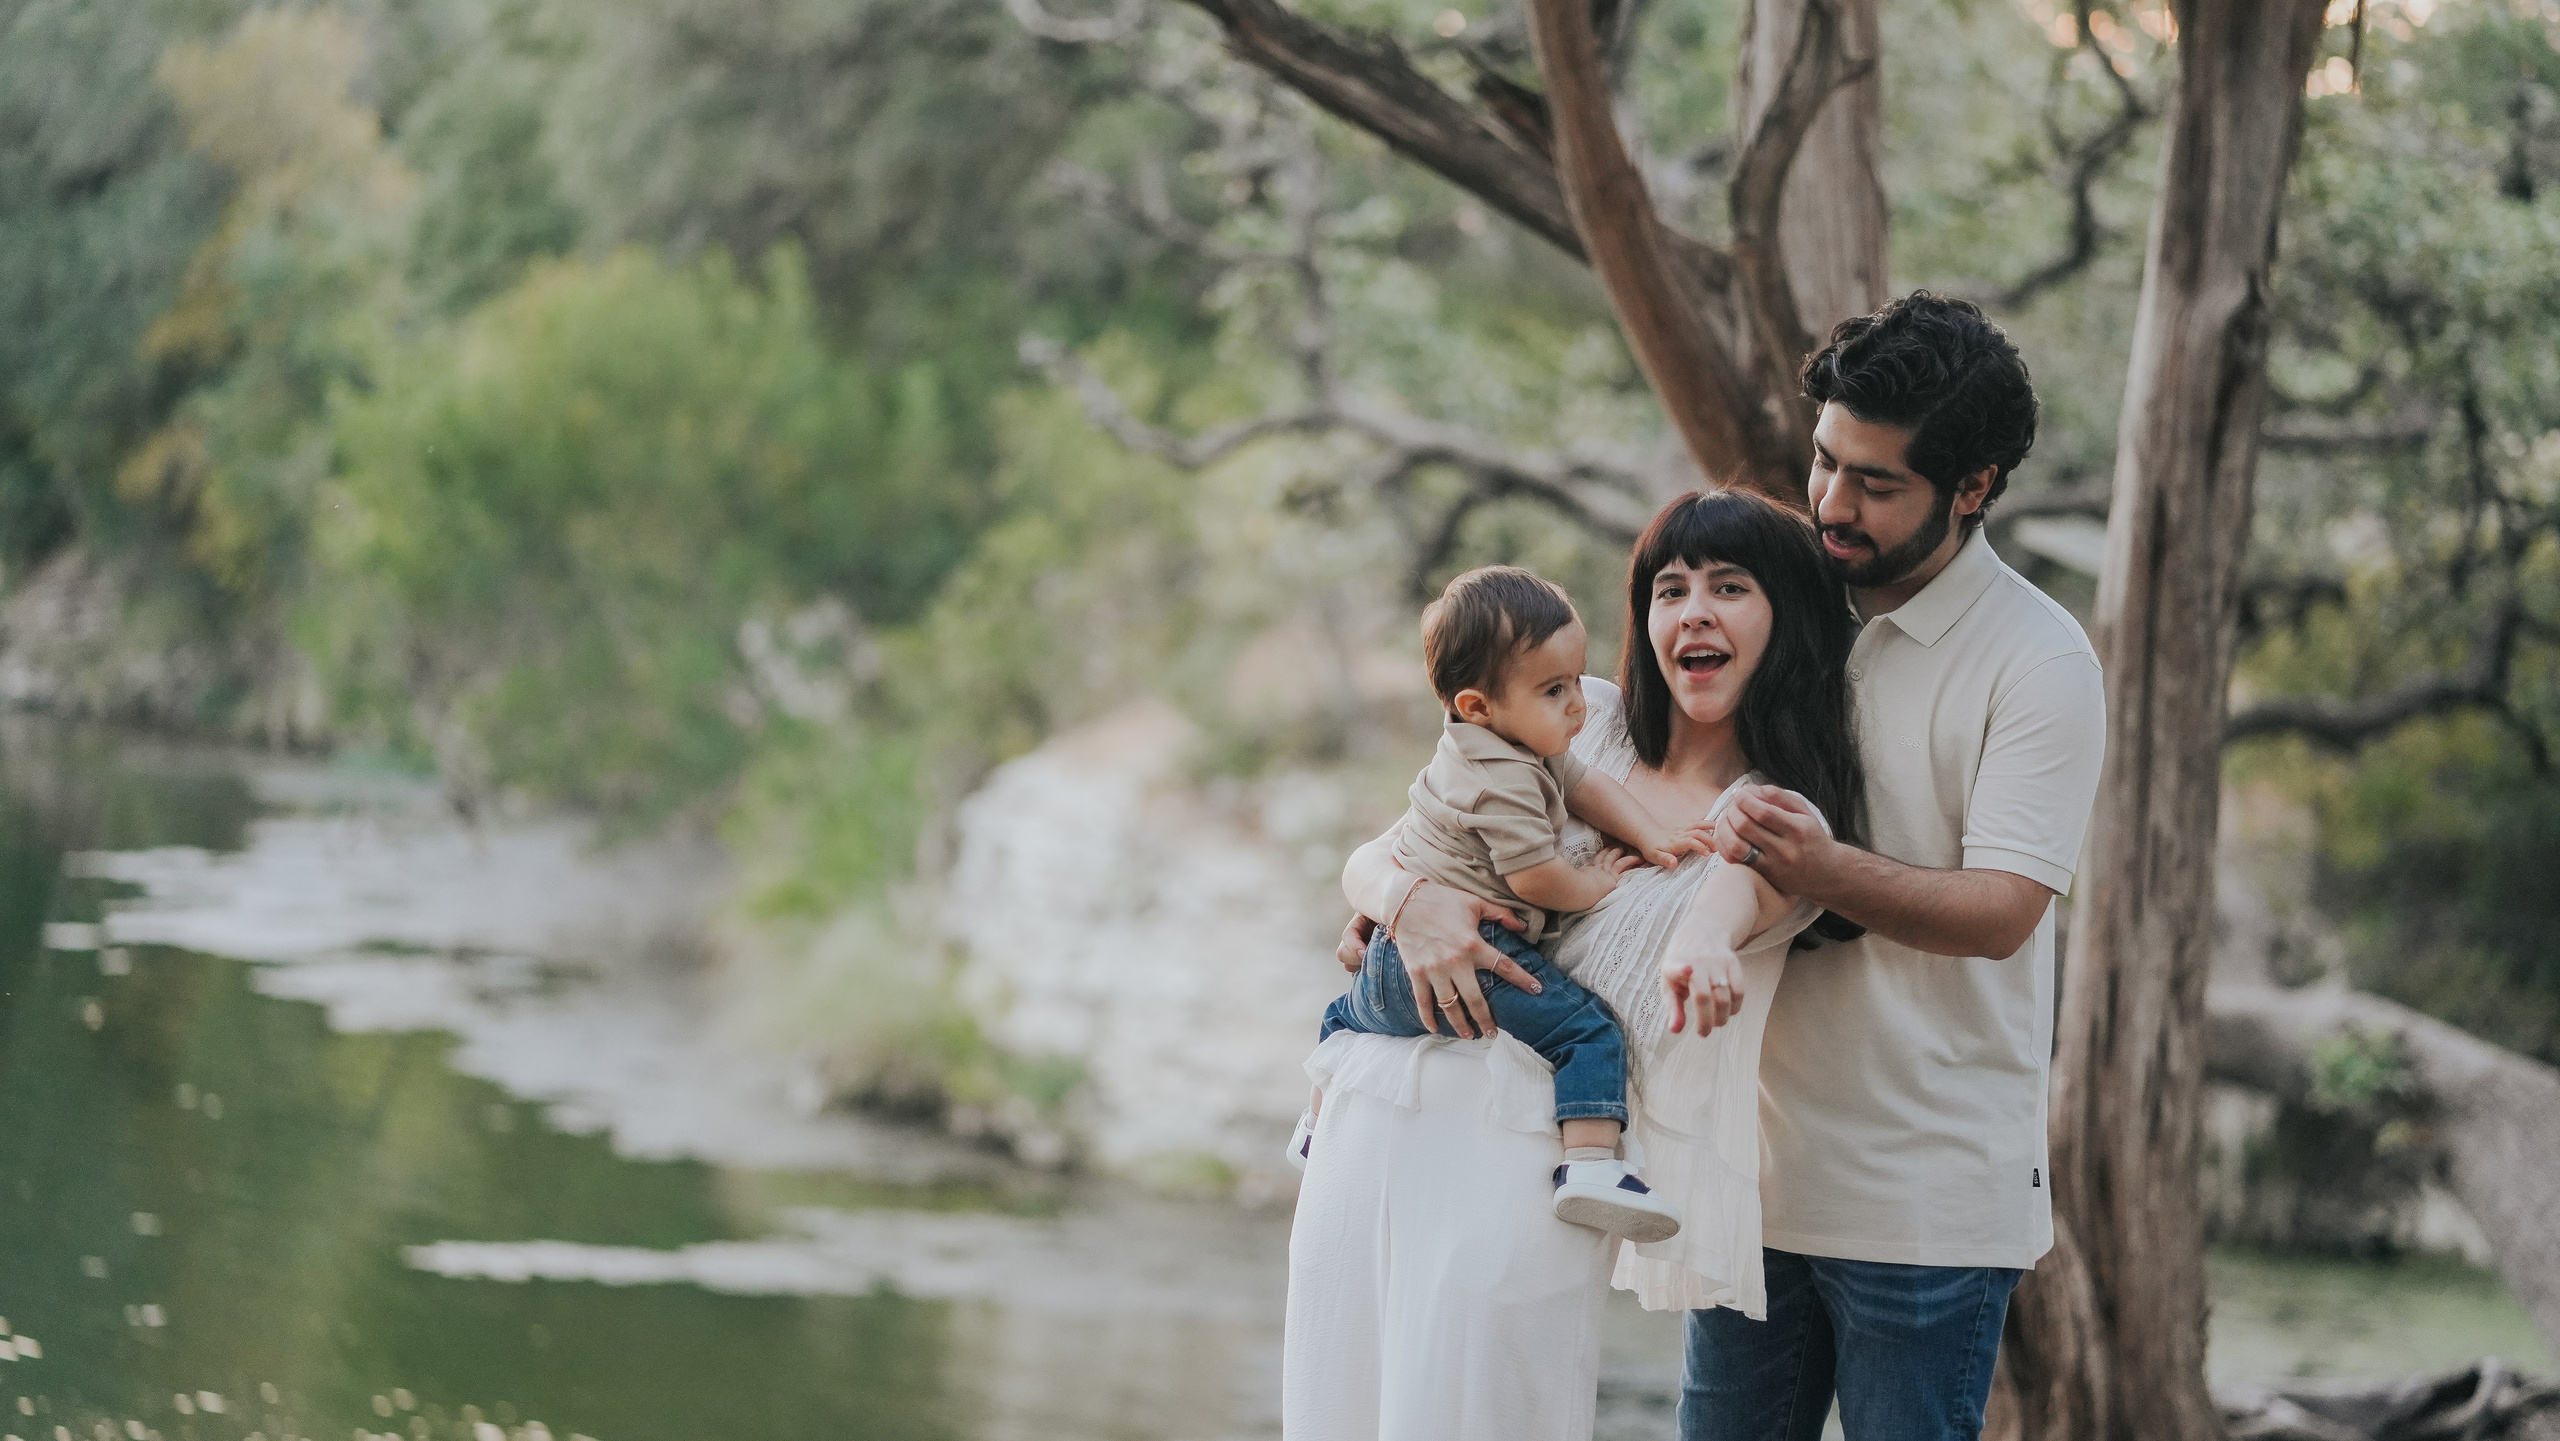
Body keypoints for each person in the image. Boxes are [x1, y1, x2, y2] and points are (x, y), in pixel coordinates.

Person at [1284, 490, 1865, 1441]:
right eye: (1670, 588)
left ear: (1788, 616)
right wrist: (1407, 904)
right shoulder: (1575, 714)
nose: (1695, 611)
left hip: (1523, 1166)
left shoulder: (1776, 814)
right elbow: (1376, 855)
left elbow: (1733, 896)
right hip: (1370, 1117)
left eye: (1730, 586)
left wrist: (1704, 937)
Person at [1685, 293, 2108, 1441]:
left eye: (1875, 483)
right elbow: (1602, 760)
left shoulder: (2038, 662)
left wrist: (1823, 866)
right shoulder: (1779, 603)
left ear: (1972, 484)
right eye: (1825, 462)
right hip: (1754, 1179)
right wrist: (1406, 886)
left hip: (1926, 1208)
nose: (1830, 502)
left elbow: (2002, 911)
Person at [1294, 563, 1709, 1242]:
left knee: (1343, 1018)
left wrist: (1652, 832)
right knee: (1587, 1031)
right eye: (1554, 689)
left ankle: (1315, 1128)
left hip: (1385, 959)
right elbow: (1536, 878)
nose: (1577, 704)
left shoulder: (1509, 744)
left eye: (1577, 680)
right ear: (1476, 705)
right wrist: (1597, 883)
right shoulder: (1501, 780)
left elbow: (1584, 784)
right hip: (1477, 951)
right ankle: (1591, 1164)